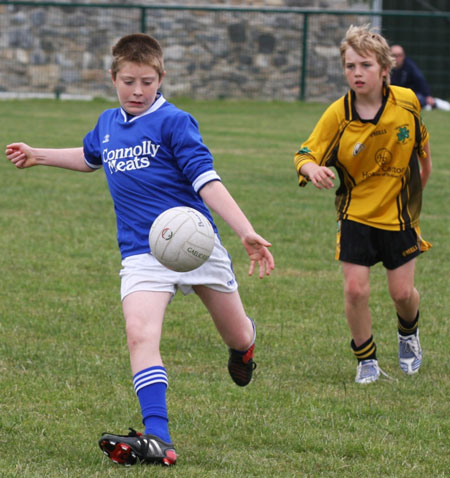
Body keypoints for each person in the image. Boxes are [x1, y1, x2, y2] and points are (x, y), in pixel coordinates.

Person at [5, 33, 274, 466]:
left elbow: (207, 179)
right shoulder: (108, 123)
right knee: (140, 334)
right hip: (142, 252)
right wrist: (39, 155)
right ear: (113, 78)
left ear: (161, 78)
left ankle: (245, 346)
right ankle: (158, 436)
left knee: (237, 333)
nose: (137, 91)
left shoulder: (175, 122)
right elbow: (92, 156)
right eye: (128, 81)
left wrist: (244, 230)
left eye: (147, 82)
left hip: (195, 245)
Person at [293, 25, 432, 384]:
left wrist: (415, 196)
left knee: (402, 294)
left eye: (365, 65)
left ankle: (408, 333)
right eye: (350, 66)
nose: (357, 73)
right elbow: (304, 154)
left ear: (385, 69)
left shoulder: (407, 102)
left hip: (399, 214)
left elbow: (422, 155)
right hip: (355, 212)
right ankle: (366, 360)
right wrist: (312, 169)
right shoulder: (338, 114)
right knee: (355, 289)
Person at [391, 44, 450, 111]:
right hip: (393, 95)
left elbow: (419, 79)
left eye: (400, 55)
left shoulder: (409, 66)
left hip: (410, 94)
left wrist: (427, 95)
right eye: (394, 56)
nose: (397, 58)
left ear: (404, 56)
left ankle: (432, 103)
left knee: (418, 99)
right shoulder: (386, 67)